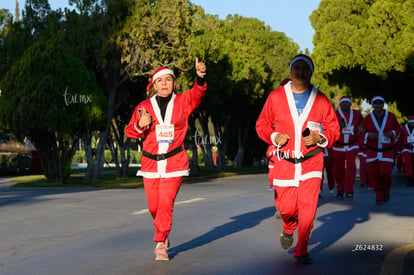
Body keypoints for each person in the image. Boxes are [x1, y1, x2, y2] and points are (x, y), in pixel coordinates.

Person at [256, 54, 340, 264]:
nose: (301, 72)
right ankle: (288, 227)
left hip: (311, 162)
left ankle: (302, 249)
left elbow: (334, 129)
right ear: (290, 72)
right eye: (297, 68)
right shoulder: (276, 97)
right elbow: (262, 124)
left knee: (308, 210)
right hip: (285, 162)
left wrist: (320, 138)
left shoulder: (320, 99)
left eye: (305, 69)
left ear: (310, 73)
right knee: (287, 209)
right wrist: (274, 136)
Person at [125, 58, 207, 261]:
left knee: (166, 202)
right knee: (154, 207)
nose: (164, 84)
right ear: (153, 85)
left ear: (174, 83)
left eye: (168, 80)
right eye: (160, 80)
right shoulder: (144, 107)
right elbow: (129, 132)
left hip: (175, 163)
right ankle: (163, 231)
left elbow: (198, 94)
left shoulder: (182, 102)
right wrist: (140, 125)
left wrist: (200, 77)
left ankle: (160, 243)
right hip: (150, 164)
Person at [361, 95, 401, 205]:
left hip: (387, 151)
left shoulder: (391, 116)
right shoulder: (368, 118)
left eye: (380, 103)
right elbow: (360, 132)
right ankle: (379, 195)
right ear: (372, 105)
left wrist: (392, 133)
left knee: (385, 173)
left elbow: (398, 129)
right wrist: (368, 135)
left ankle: (386, 190)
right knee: (373, 175)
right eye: (375, 103)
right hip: (372, 151)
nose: (378, 105)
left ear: (383, 104)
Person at [331, 96, 363, 199]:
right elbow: (329, 127)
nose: (345, 104)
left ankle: (349, 190)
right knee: (338, 169)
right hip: (338, 145)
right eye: (343, 103)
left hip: (352, 144)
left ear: (350, 104)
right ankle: (340, 190)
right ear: (340, 104)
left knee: (351, 167)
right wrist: (338, 126)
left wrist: (360, 136)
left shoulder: (357, 114)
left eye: (347, 103)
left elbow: (362, 126)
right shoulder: (335, 114)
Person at [397, 116, 414, 186]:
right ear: (408, 123)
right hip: (406, 148)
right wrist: (398, 150)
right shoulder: (404, 128)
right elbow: (400, 139)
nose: (412, 124)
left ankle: (412, 178)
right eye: (411, 123)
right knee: (408, 163)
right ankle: (409, 178)